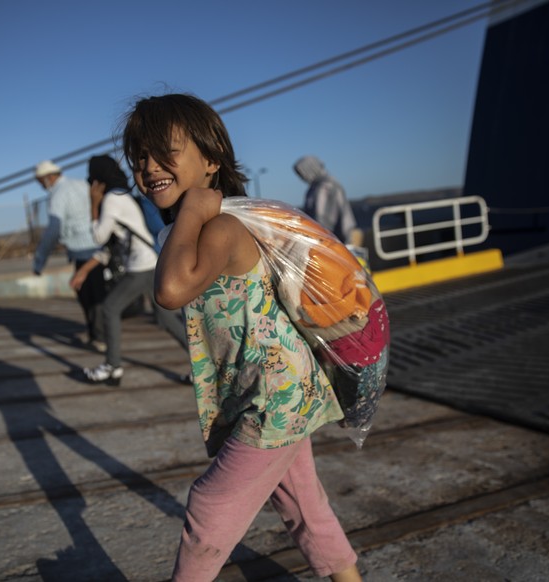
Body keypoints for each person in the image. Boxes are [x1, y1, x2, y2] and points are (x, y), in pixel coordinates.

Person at [122, 93, 363, 582]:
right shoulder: (201, 229)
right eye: (140, 157)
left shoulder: (223, 228)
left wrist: (191, 210)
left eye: (163, 152)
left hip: (271, 401)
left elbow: (170, 290)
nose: (149, 168)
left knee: (209, 508)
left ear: (211, 161)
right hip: (277, 393)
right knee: (303, 504)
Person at [70, 155, 188, 385]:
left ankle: (112, 367)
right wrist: (84, 270)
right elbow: (111, 246)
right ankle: (203, 366)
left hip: (142, 265)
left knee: (109, 308)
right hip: (151, 262)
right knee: (166, 318)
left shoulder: (112, 200)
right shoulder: (123, 195)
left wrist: (93, 204)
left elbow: (98, 236)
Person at [32, 160, 106, 351]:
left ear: (49, 177)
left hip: (82, 251)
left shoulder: (58, 194)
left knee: (89, 297)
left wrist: (40, 260)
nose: (41, 185)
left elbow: (53, 230)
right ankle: (97, 335)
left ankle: (100, 337)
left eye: (40, 181)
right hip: (97, 244)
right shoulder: (81, 184)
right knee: (95, 293)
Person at [294, 155, 361, 245]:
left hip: (333, 241)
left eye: (302, 173)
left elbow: (323, 219)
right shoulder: (315, 187)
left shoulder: (325, 187)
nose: (302, 177)